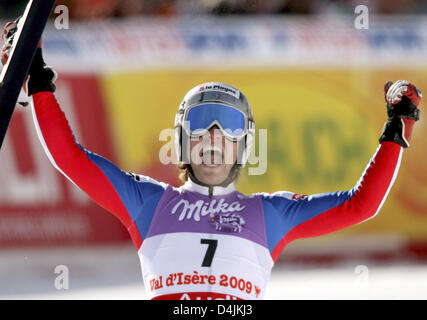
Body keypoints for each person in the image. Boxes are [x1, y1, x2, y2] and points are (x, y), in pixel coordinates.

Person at [1, 20, 422, 300]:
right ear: (183, 141)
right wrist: (37, 77)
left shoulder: (270, 212)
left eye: (230, 126)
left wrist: (398, 127)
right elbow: (69, 157)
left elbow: (359, 205)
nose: (216, 135)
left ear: (245, 146)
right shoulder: (148, 202)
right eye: (204, 123)